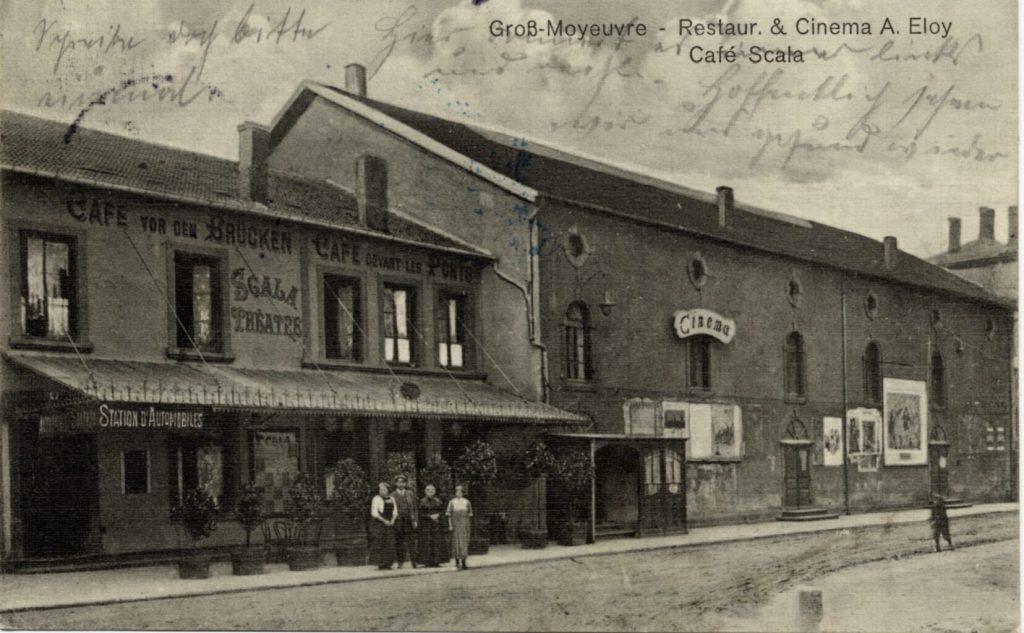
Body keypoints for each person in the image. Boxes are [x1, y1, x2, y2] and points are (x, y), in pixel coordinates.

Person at [391, 474, 419, 568]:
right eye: (399, 482)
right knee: (399, 542)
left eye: (403, 482)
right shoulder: (392, 495)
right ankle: (400, 562)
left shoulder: (410, 494)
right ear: (396, 483)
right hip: (399, 522)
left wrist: (415, 520)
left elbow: (414, 508)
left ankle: (414, 562)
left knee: (412, 542)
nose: (401, 484)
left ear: (405, 483)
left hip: (409, 521)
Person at [369, 482, 397, 570]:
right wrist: (384, 520)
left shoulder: (392, 498)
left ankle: (388, 564)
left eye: (384, 489)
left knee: (390, 543)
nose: (382, 491)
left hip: (390, 523)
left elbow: (395, 511)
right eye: (381, 490)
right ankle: (381, 564)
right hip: (380, 523)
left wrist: (393, 520)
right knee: (381, 543)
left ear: (388, 490)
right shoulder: (376, 499)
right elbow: (374, 512)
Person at [418, 483, 446, 567]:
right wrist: (429, 516)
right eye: (428, 490)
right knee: (427, 543)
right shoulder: (422, 501)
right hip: (426, 525)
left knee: (436, 542)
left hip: (436, 525)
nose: (430, 492)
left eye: (432, 490)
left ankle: (436, 561)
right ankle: (427, 562)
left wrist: (438, 515)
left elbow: (443, 511)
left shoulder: (438, 501)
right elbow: (419, 513)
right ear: (425, 491)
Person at [446, 484, 473, 570]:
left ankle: (464, 562)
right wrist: (450, 525)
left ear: (463, 493)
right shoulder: (452, 502)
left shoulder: (467, 502)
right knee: (456, 543)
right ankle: (457, 562)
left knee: (464, 542)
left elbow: (470, 514)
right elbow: (449, 515)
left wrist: (468, 525)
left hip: (464, 525)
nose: (459, 493)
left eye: (460, 492)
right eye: (457, 492)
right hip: (455, 525)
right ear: (455, 493)